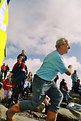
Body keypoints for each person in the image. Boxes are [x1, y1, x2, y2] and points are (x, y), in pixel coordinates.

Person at [6, 38, 73, 121]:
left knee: (58, 96)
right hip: (40, 81)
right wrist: (71, 67)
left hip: (49, 81)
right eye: (68, 45)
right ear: (61, 45)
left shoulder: (56, 56)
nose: (69, 47)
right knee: (35, 103)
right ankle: (11, 111)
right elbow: (69, 72)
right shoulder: (56, 56)